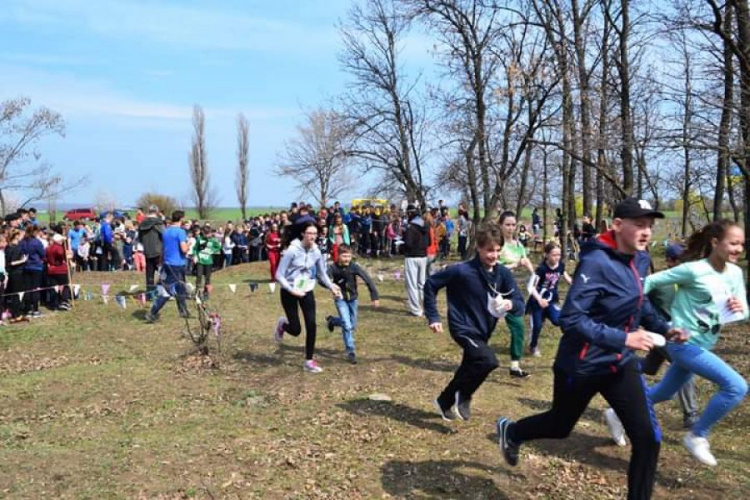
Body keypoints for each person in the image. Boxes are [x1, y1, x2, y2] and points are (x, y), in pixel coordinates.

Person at [496, 198, 686, 500]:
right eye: (639, 224)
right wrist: (625, 339)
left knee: (648, 440)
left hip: (620, 364)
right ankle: (513, 432)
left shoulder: (639, 258)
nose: (647, 231)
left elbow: (640, 301)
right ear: (618, 226)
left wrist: (664, 328)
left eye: (650, 225)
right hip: (581, 365)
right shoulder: (596, 262)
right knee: (560, 426)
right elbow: (572, 318)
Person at [605, 220, 748, 467]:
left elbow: (742, 310)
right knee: (736, 386)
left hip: (705, 343)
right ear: (715, 243)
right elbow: (646, 284)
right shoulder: (693, 270)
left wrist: (740, 308)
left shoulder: (735, 273)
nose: (738, 249)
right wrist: (633, 313)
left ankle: (617, 412)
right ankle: (697, 436)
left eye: (741, 244)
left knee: (665, 392)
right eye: (733, 243)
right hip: (681, 343)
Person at [424, 223, 524, 421]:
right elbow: (431, 284)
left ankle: (444, 401)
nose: (493, 255)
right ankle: (464, 395)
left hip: (483, 330)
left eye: (497, 250)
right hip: (462, 327)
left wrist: (510, 304)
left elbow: (520, 302)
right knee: (488, 360)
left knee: (469, 367)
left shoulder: (502, 273)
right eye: (489, 250)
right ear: (478, 247)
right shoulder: (461, 271)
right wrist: (433, 316)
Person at [273, 221, 342, 373]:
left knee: (311, 324)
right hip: (289, 291)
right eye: (309, 233)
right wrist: (291, 290)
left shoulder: (316, 252)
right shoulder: (292, 250)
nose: (312, 237)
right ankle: (283, 325)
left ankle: (309, 361)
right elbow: (279, 274)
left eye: (315, 234)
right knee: (296, 329)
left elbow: (321, 273)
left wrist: (331, 286)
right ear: (303, 234)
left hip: (306, 289)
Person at [325, 245, 380, 364]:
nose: (347, 259)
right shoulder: (333, 268)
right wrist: (330, 285)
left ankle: (333, 321)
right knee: (347, 325)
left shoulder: (354, 267)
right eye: (344, 256)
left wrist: (374, 295)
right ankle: (351, 351)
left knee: (352, 324)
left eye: (349, 256)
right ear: (338, 256)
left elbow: (367, 279)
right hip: (340, 299)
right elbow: (323, 278)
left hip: (353, 299)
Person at [497, 211, 535, 378]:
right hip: (498, 289)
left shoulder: (518, 245)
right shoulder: (497, 244)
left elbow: (525, 261)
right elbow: (495, 266)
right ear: (501, 225)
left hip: (515, 291)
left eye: (513, 224)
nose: (511, 228)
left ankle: (514, 366)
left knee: (518, 327)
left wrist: (534, 275)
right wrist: (515, 264)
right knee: (483, 326)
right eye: (507, 224)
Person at [526, 242, 572, 357]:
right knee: (537, 326)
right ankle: (533, 345)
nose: (556, 257)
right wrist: (539, 299)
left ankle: (571, 344)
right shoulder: (541, 269)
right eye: (554, 255)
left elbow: (566, 276)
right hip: (537, 301)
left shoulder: (560, 265)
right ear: (546, 255)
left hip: (551, 300)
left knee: (559, 320)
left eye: (559, 255)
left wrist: (575, 285)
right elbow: (530, 286)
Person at [145, 211, 189, 322]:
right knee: (168, 291)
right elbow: (183, 249)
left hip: (167, 263)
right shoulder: (180, 232)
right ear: (181, 219)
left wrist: (161, 262)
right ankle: (152, 312)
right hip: (177, 264)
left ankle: (183, 311)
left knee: (181, 288)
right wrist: (189, 244)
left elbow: (163, 248)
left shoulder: (166, 231)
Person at [403, 205, 430, 317]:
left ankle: (416, 310)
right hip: (423, 256)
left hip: (411, 257)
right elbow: (428, 242)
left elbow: (408, 243)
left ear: (409, 213)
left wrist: (402, 246)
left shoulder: (411, 226)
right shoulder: (426, 225)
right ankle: (426, 307)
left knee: (412, 284)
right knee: (422, 283)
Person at [20, 225, 46, 317]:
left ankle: (28, 309)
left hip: (26, 266)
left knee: (27, 288)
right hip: (36, 267)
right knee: (35, 289)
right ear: (34, 232)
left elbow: (21, 253)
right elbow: (43, 253)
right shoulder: (37, 242)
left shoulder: (22, 242)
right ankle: (35, 309)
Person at [138, 205, 164, 297]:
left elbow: (140, 238)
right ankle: (163, 292)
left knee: (149, 274)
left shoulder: (142, 224)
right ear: (156, 212)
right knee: (163, 273)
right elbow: (164, 236)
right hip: (159, 251)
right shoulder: (158, 223)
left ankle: (150, 294)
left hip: (147, 251)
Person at [192, 225, 221, 301]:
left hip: (208, 262)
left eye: (209, 233)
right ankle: (197, 293)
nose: (208, 235)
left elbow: (218, 247)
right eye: (206, 234)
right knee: (199, 276)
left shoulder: (213, 240)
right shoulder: (200, 239)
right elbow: (195, 248)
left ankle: (206, 294)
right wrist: (195, 256)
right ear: (203, 233)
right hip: (200, 261)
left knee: (207, 278)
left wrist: (212, 251)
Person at [46, 233, 72, 311]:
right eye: (61, 240)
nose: (62, 241)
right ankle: (64, 302)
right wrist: (63, 257)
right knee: (65, 286)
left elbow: (45, 257)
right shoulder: (59, 247)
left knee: (54, 287)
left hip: (51, 269)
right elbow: (60, 253)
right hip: (60, 269)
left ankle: (54, 303)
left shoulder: (48, 248)